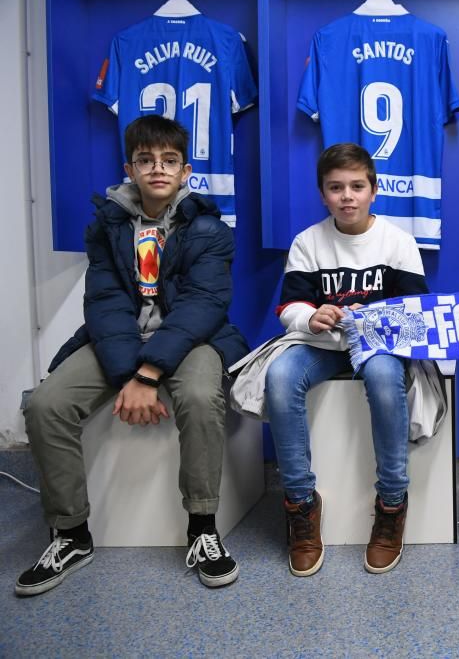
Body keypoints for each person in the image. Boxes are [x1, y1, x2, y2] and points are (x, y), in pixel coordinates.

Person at [16, 115, 248, 596]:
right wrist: (130, 372)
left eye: (168, 161)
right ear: (130, 168)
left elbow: (202, 305)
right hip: (121, 340)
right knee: (45, 405)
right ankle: (71, 533)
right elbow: (104, 302)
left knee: (203, 397)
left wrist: (148, 373)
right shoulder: (106, 226)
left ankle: (202, 527)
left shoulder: (209, 228)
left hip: (191, 340)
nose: (157, 169)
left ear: (185, 171)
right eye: (146, 160)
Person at [263, 143, 428, 577]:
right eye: (336, 188)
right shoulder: (308, 242)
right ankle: (299, 503)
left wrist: (373, 321)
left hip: (375, 348)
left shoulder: (398, 242)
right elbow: (288, 309)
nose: (347, 196)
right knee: (279, 377)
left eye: (357, 186)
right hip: (320, 348)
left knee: (382, 377)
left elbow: (416, 315)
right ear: (322, 194)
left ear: (374, 190)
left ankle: (392, 501)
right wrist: (311, 315)